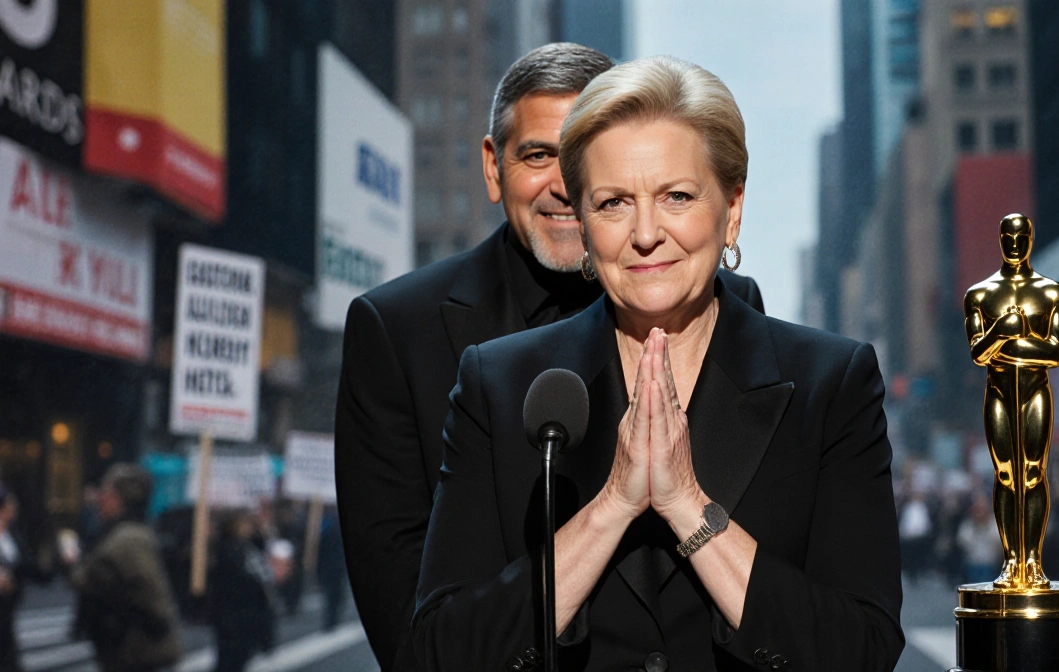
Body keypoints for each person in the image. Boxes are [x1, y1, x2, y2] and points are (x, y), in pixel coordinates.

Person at [413, 56, 903, 670]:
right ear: (584, 224)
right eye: (613, 203)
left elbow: (863, 650)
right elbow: (441, 651)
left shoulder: (830, 384)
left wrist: (688, 507)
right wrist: (611, 507)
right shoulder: (499, 385)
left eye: (677, 196)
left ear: (732, 208)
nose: (645, 233)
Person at [335, 43, 765, 672]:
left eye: (582, 157)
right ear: (492, 166)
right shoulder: (398, 331)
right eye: (538, 155)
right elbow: (407, 624)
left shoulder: (725, 302)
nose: (564, 185)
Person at [963, 213, 1059, 589]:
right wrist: (1002, 331)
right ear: (999, 239)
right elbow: (978, 353)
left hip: (1035, 390)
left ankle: (1033, 560)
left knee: (1034, 472)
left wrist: (1003, 347)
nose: (1013, 244)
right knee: (1006, 474)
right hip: (999, 392)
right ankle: (1011, 560)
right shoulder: (980, 295)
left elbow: (1054, 352)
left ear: (1030, 239)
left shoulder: (1051, 293)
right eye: (1007, 236)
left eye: (1020, 237)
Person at [69, 464, 182, 672]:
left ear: (118, 499)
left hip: (135, 649)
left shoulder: (128, 539)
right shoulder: (121, 533)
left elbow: (149, 596)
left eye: (105, 493)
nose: (99, 499)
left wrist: (72, 564)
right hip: (125, 647)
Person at [211, 511, 277, 672]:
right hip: (235, 612)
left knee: (241, 656)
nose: (248, 527)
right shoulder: (228, 547)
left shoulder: (246, 545)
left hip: (246, 612)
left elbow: (262, 548)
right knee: (231, 657)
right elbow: (240, 577)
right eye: (244, 524)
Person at [0, 485, 52, 672]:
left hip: (7, 610)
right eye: (11, 504)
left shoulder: (12, 533)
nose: (15, 508)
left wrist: (49, 568)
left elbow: (28, 565)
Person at [958, 494, 1004, 585]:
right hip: (973, 563)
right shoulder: (969, 524)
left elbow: (998, 541)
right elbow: (963, 541)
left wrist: (985, 527)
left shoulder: (994, 524)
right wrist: (976, 527)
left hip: (990, 564)